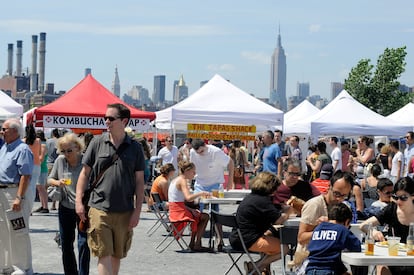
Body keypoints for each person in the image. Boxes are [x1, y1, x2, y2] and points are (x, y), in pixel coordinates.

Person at [75, 103, 145, 275]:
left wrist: (137, 211)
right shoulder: (97, 143)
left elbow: (139, 181)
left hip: (124, 210)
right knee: (103, 253)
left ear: (124, 121)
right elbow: (84, 174)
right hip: (99, 208)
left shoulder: (135, 147)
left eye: (111, 118)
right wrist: (78, 201)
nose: (106, 121)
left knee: (116, 255)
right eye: (105, 118)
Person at [295, 170, 354, 274]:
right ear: (329, 186)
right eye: (336, 193)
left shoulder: (343, 207)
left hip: (332, 260)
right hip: (310, 261)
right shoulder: (315, 205)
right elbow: (301, 238)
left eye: (344, 196)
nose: (339, 198)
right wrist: (326, 227)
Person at [230, 172, 288, 275]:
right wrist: (288, 212)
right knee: (284, 248)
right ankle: (255, 266)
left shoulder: (252, 197)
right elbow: (279, 220)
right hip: (248, 240)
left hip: (237, 237)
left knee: (269, 235)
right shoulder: (262, 201)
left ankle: (260, 269)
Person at [48, 133, 90, 275]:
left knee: (83, 243)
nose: (66, 154)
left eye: (69, 150)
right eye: (63, 151)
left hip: (84, 207)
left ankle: (83, 272)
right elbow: (50, 179)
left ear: (78, 148)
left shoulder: (86, 161)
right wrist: (57, 182)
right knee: (66, 244)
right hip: (65, 206)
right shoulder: (60, 161)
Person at [0, 118, 34, 275]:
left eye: (4, 129)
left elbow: (25, 176)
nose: (1, 132)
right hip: (2, 192)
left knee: (18, 230)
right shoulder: (4, 148)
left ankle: (22, 267)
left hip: (14, 193)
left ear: (15, 131)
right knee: (3, 231)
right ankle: (6, 265)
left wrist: (18, 197)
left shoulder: (23, 149)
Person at [360, 177, 414, 275]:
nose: (399, 202)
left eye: (403, 198)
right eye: (396, 197)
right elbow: (363, 226)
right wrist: (374, 232)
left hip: (412, 259)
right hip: (393, 259)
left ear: (413, 196)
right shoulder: (391, 209)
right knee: (381, 266)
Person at [305, 203, 361, 275]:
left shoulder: (318, 228)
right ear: (347, 221)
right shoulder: (342, 229)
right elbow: (356, 246)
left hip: (310, 269)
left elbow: (326, 253)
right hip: (328, 271)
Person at [168, 161, 210, 252]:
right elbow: (188, 198)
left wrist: (190, 209)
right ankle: (196, 243)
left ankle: (193, 243)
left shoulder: (176, 179)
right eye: (193, 171)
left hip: (175, 210)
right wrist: (201, 193)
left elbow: (178, 201)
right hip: (179, 212)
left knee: (197, 214)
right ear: (187, 171)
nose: (194, 174)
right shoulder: (182, 181)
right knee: (205, 216)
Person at [24, 124, 41, 213]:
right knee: (33, 187)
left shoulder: (23, 141)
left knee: (26, 187)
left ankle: (27, 207)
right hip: (37, 164)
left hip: (28, 164)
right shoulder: (38, 141)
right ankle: (30, 208)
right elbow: (39, 152)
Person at [33, 130, 49, 213]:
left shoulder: (42, 145)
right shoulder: (41, 145)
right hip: (40, 168)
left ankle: (45, 206)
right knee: (40, 188)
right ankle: (43, 205)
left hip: (42, 169)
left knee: (42, 188)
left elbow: (41, 159)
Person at [47, 128, 60, 211]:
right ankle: (53, 204)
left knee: (45, 186)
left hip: (47, 163)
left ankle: (44, 203)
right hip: (56, 164)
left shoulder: (48, 141)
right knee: (55, 185)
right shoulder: (58, 141)